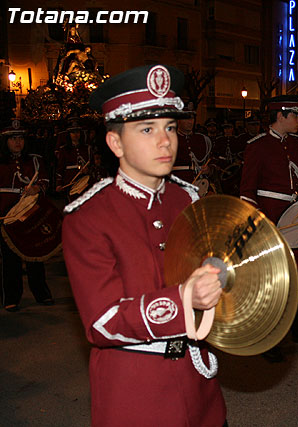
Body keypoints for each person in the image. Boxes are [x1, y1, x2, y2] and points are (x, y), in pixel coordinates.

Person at [62, 64, 226, 425]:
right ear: (115, 142)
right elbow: (101, 323)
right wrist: (185, 299)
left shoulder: (189, 200)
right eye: (147, 129)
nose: (165, 140)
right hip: (135, 394)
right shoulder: (88, 216)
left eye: (169, 127)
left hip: (201, 389)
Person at [239, 95, 298, 362]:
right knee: (272, 282)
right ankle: (268, 339)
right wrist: (257, 224)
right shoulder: (257, 146)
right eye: (295, 114)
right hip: (270, 219)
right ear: (280, 115)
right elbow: (247, 190)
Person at [0, 121, 53, 312]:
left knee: (35, 255)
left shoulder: (34, 160)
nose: (17, 142)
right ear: (5, 141)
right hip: (7, 217)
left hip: (31, 216)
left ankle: (42, 293)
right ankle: (11, 297)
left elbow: (45, 179)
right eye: (13, 138)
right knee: (10, 259)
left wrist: (38, 188)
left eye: (20, 138)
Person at [173, 102, 212, 183]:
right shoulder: (170, 139)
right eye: (186, 119)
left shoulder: (202, 139)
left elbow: (212, 161)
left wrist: (209, 170)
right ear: (178, 120)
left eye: (191, 119)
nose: (190, 122)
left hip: (200, 182)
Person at [55, 119, 90, 197]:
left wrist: (88, 170)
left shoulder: (87, 148)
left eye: (77, 132)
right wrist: (59, 184)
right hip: (69, 181)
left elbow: (93, 165)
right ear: (69, 134)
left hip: (85, 181)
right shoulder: (64, 149)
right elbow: (60, 168)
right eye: (73, 132)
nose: (75, 135)